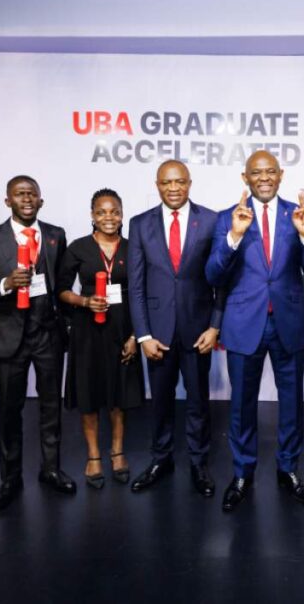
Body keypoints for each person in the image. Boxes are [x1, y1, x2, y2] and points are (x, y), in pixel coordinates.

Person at [206, 150, 304, 512]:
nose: (263, 178)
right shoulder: (228, 218)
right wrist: (233, 237)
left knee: (291, 404)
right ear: (245, 177)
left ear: (280, 175)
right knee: (242, 404)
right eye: (255, 173)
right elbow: (213, 275)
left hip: (288, 323)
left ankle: (288, 469)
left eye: (270, 172)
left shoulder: (300, 215)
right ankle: (243, 472)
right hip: (244, 324)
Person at [0, 176, 76, 512]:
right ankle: (10, 478)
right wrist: (4, 283)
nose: (27, 199)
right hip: (8, 336)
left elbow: (60, 282)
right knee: (11, 411)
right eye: (20, 194)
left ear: (41, 201)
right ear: (8, 201)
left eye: (32, 194)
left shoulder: (56, 234)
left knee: (50, 408)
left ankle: (51, 469)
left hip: (48, 334)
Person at [128, 161, 224, 497]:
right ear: (157, 184)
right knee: (160, 403)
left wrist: (215, 326)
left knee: (198, 400)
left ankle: (199, 463)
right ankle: (161, 459)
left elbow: (221, 281)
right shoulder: (139, 224)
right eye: (167, 182)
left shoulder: (211, 220)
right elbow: (136, 286)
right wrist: (143, 335)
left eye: (180, 181)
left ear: (189, 183)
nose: (173, 188)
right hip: (158, 334)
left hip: (198, 331)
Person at [56, 189, 144, 489]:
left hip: (123, 331)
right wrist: (84, 302)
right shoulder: (78, 248)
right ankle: (94, 454)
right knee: (89, 397)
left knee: (119, 396)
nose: (109, 217)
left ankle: (117, 451)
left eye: (115, 211)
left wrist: (136, 336)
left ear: (122, 214)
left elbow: (140, 294)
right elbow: (62, 289)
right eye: (102, 212)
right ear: (92, 215)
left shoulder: (133, 248)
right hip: (87, 333)